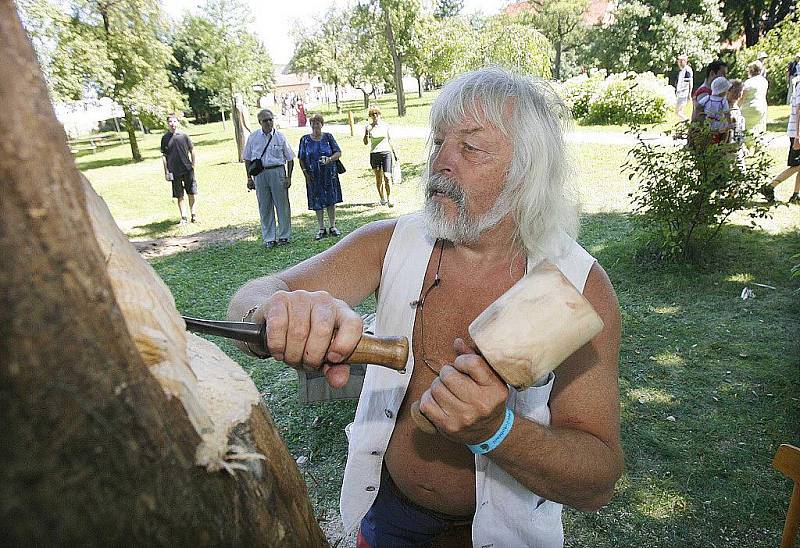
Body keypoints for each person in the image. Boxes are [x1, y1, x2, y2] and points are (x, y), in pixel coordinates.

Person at [227, 67, 623, 546]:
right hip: (388, 513)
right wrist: (275, 311)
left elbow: (597, 480)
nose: (441, 162)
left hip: (506, 533)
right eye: (438, 143)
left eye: (471, 147)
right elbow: (248, 297)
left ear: (527, 174)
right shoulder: (393, 242)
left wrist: (497, 431)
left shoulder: (573, 286)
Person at [243, 109, 295, 249]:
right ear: (260, 122)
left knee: (282, 205)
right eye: (265, 120)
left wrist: (288, 177)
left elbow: (290, 158)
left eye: (270, 119)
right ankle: (269, 238)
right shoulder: (253, 137)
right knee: (264, 206)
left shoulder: (280, 137)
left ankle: (284, 235)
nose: (268, 122)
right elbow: (247, 159)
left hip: (277, 171)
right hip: (260, 174)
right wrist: (249, 177)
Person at [298, 113, 344, 240]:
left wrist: (329, 159)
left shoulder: (328, 137)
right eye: (313, 123)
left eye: (318, 122)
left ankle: (333, 226)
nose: (316, 125)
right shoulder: (305, 139)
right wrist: (305, 173)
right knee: (317, 201)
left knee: (331, 199)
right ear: (310, 125)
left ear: (322, 124)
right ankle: (321, 228)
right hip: (313, 175)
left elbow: (338, 152)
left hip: (329, 174)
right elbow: (301, 158)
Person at [762, 79, 800, 204]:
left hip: (797, 132)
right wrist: (798, 137)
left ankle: (796, 194)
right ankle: (769, 187)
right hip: (797, 132)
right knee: (796, 165)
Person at [160, 113, 197, 225]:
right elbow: (164, 156)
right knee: (179, 195)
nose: (172, 124)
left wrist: (193, 165)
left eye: (174, 121)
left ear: (178, 122)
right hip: (174, 171)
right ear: (167, 124)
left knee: (191, 192)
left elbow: (192, 150)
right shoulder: (165, 138)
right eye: (170, 122)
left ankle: (194, 214)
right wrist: (166, 171)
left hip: (187, 168)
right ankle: (184, 217)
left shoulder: (184, 136)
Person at [363, 106, 397, 207]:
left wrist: (395, 153)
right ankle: (382, 198)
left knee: (387, 176)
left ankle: (389, 198)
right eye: (372, 114)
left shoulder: (385, 126)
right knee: (378, 177)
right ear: (370, 116)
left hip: (386, 152)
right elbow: (365, 142)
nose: (375, 116)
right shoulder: (368, 127)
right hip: (374, 153)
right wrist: (366, 134)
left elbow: (390, 140)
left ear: (380, 115)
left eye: (376, 114)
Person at [691, 60, 728, 124]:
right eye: (722, 74)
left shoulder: (713, 92)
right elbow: (700, 116)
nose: (724, 78)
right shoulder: (704, 93)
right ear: (712, 73)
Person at [698, 76, 733, 144]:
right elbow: (727, 113)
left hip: (707, 123)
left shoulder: (707, 98)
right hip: (719, 125)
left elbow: (698, 106)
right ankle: (722, 145)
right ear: (722, 91)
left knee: (708, 140)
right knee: (725, 134)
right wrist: (729, 124)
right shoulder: (723, 101)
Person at [741, 61, 769, 138]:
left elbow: (743, 97)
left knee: (747, 131)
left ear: (752, 70)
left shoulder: (748, 82)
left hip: (749, 108)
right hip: (762, 107)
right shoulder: (764, 81)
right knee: (759, 129)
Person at [675, 54, 693, 122]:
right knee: (680, 112)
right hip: (680, 93)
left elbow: (689, 83)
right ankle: (684, 123)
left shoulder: (687, 70)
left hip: (683, 93)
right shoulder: (683, 70)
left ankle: (687, 120)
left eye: (680, 61)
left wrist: (689, 94)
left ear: (684, 61)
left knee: (678, 112)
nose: (678, 63)